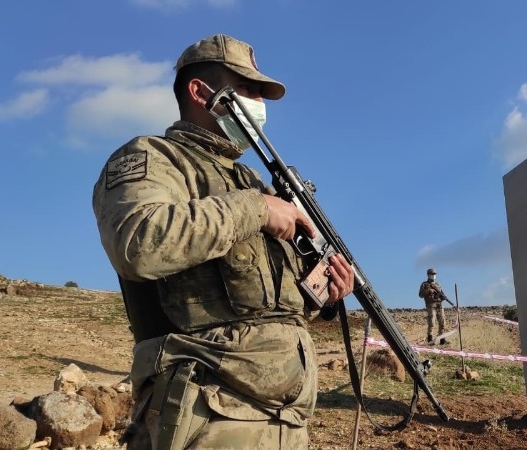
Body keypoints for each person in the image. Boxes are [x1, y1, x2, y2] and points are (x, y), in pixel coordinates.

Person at [91, 34, 355, 449]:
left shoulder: (249, 182)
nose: (259, 105)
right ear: (200, 92)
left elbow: (267, 301)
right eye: (248, 90)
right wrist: (258, 210)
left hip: (285, 418)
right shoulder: (153, 157)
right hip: (205, 411)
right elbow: (137, 244)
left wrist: (325, 292)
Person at [417, 268, 448, 345]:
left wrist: (443, 297)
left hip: (439, 305)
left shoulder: (438, 285)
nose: (433, 276)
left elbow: (442, 294)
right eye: (432, 274)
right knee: (432, 323)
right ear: (428, 275)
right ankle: (430, 339)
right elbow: (420, 295)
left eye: (434, 274)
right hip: (431, 305)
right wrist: (428, 291)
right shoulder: (424, 284)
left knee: (442, 322)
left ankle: (442, 339)